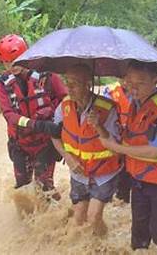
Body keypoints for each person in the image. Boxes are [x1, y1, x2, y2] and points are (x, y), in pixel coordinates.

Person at [97, 60, 157, 254]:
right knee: (139, 235)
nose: (132, 88)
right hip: (141, 180)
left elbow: (153, 152)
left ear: (155, 80)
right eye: (129, 82)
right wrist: (98, 127)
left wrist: (116, 147)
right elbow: (128, 137)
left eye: (140, 83)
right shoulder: (136, 103)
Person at [52, 64, 121, 235]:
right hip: (78, 172)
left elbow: (118, 147)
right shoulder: (63, 106)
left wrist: (99, 126)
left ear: (88, 84)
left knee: (93, 217)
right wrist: (67, 158)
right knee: (78, 218)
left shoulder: (108, 108)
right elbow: (54, 136)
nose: (69, 88)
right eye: (67, 83)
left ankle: (101, 247)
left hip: (103, 173)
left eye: (74, 83)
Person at [0, 34, 67, 199]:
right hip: (20, 143)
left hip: (45, 142)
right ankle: (27, 221)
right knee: (22, 187)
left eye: (15, 61)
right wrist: (35, 124)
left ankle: (54, 220)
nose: (11, 66)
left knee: (45, 186)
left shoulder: (46, 76)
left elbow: (65, 100)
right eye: (7, 62)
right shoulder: (3, 83)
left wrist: (57, 122)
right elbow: (9, 114)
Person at [103, 81, 132, 204]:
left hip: (132, 141)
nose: (126, 80)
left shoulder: (140, 92)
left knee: (127, 173)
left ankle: (123, 200)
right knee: (113, 170)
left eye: (128, 77)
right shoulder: (109, 91)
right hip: (114, 139)